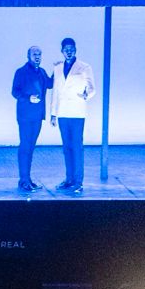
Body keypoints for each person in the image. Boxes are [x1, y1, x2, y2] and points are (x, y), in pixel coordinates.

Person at [48, 37, 94, 195]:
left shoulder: (84, 67)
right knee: (67, 148)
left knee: (77, 148)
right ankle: (68, 180)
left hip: (77, 112)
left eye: (71, 49)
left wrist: (86, 93)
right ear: (62, 51)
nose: (69, 51)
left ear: (76, 50)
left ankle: (78, 182)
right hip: (62, 113)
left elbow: (92, 88)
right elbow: (55, 91)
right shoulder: (58, 67)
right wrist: (53, 114)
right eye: (66, 49)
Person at [11, 45, 53, 193]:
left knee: (30, 147)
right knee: (25, 146)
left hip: (37, 116)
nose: (37, 56)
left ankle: (27, 179)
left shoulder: (42, 72)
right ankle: (23, 180)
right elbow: (14, 91)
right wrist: (28, 98)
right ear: (28, 56)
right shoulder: (21, 72)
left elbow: (50, 84)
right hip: (25, 116)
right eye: (35, 54)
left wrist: (59, 69)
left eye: (39, 54)